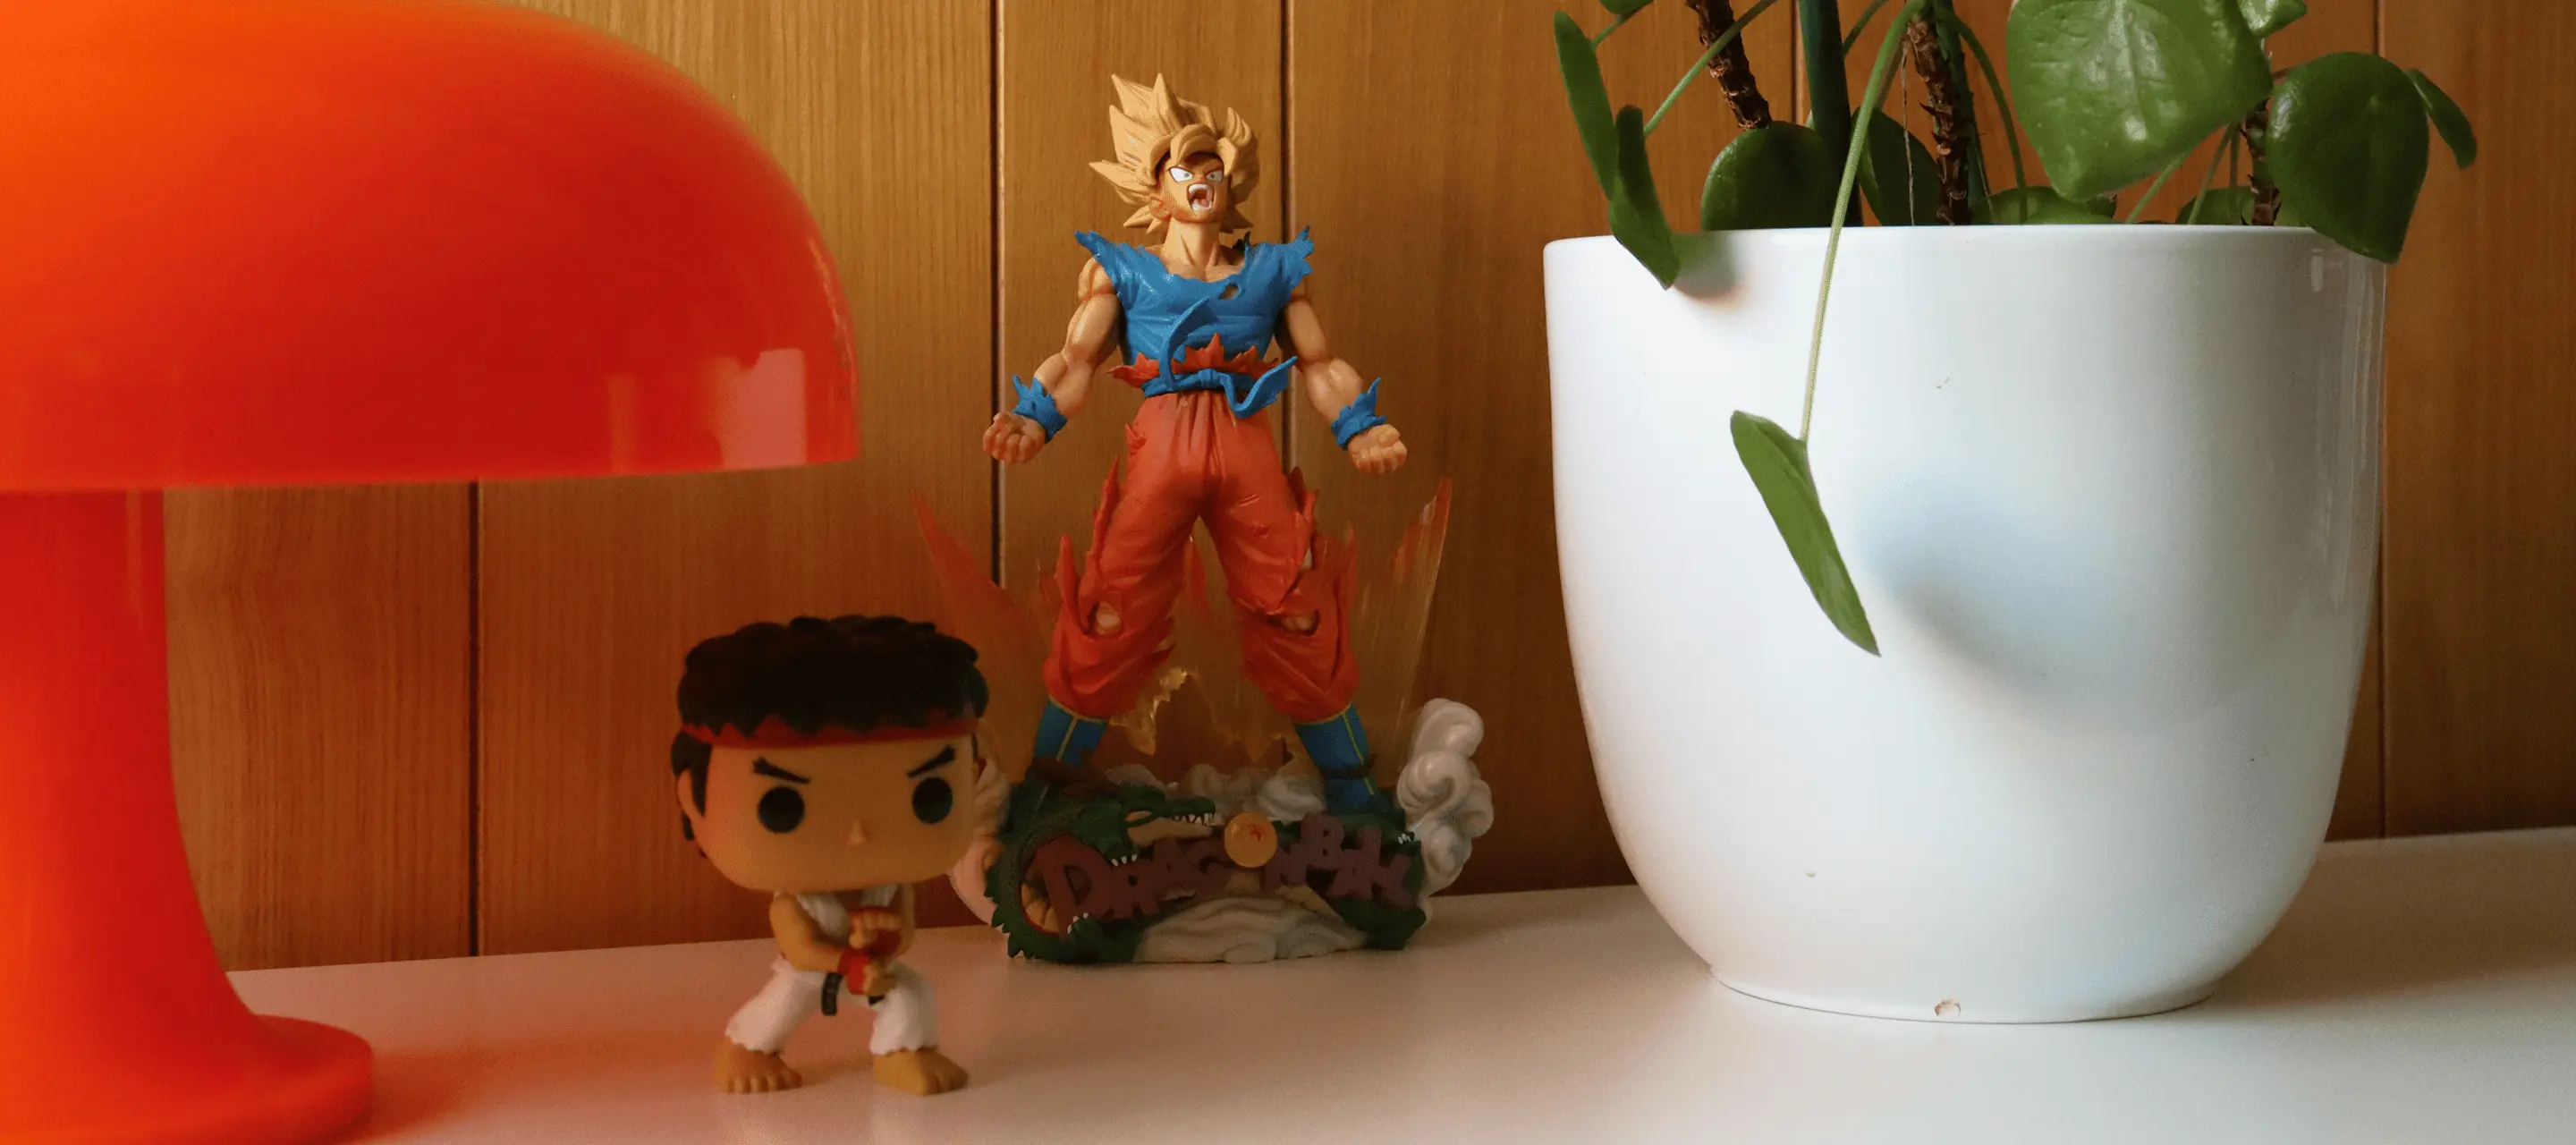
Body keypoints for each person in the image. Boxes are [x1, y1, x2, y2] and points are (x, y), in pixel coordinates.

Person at [985, 74, 1406, 813]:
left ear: (1231, 182)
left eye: (1212, 169)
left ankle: (1354, 794)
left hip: (1246, 453)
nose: (1200, 182)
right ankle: (1044, 799)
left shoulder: (1273, 272)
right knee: (1108, 613)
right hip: (1163, 447)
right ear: (1157, 190)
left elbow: (1319, 363)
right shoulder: (1124, 273)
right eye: (1184, 170)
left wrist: (1359, 426)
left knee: (1298, 610)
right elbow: (1075, 359)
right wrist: (1033, 418)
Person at [671, 615, 984, 1095]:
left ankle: (902, 1052)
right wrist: (847, 963)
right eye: (783, 807)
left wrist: (883, 942)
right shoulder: (796, 901)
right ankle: (747, 1048)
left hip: (871, 971)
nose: (859, 834)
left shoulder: (891, 886)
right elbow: (800, 948)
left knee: (912, 994)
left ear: (973, 779)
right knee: (776, 1008)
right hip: (810, 974)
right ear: (694, 800)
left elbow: (903, 933)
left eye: (931, 797)